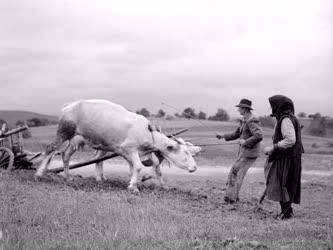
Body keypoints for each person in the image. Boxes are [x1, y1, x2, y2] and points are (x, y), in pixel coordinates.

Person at [263, 95, 303, 220]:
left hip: (287, 158)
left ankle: (286, 213)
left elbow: (290, 140)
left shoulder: (286, 119)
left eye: (273, 105)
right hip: (289, 157)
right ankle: (287, 212)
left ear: (279, 105)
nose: (271, 107)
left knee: (282, 184)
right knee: (284, 184)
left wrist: (273, 147)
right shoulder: (287, 118)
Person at [216, 98, 263, 203]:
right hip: (244, 152)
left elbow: (259, 135)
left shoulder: (252, 120)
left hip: (249, 153)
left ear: (245, 109)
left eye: (240, 108)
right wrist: (222, 136)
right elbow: (237, 134)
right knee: (236, 173)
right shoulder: (244, 120)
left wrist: (245, 142)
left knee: (235, 172)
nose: (238, 110)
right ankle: (233, 197)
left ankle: (231, 199)